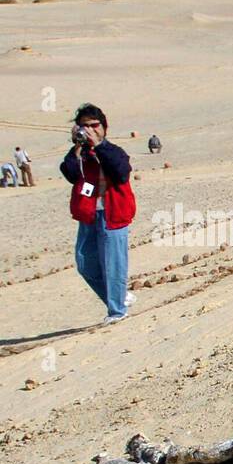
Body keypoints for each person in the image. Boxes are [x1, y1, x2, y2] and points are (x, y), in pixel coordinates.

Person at [60, 103, 137, 324]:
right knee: (85, 263)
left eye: (94, 125)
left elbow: (121, 173)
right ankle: (120, 298)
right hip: (89, 216)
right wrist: (76, 147)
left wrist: (99, 146)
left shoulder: (114, 151)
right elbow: (70, 173)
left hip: (114, 215)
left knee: (113, 265)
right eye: (85, 126)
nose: (90, 130)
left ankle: (117, 311)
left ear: (104, 127)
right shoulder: (80, 154)